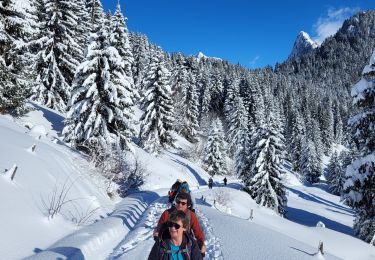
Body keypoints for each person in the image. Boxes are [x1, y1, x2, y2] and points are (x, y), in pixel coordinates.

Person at [154, 192, 206, 256]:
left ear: (187, 205)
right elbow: (159, 228)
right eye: (178, 202)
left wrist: (202, 244)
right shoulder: (167, 214)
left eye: (183, 203)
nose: (180, 205)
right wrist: (156, 233)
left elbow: (198, 232)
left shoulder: (191, 216)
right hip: (168, 245)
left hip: (186, 245)